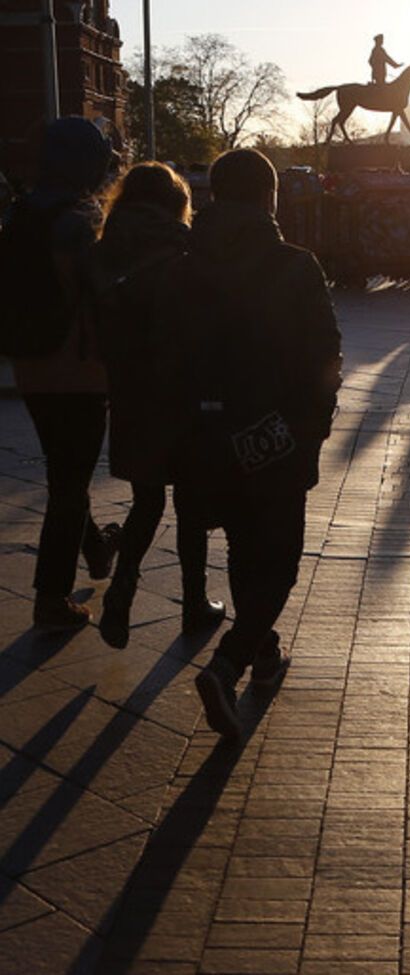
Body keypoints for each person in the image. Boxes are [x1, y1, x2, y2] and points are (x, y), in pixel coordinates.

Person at [159, 148, 342, 739]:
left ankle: (261, 652)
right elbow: (324, 354)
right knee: (281, 560)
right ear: (269, 198)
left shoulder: (182, 263)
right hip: (274, 432)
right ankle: (229, 662)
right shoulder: (294, 264)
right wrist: (312, 426)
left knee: (242, 544)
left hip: (205, 432)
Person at [95, 162, 223, 648]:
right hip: (182, 392)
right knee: (191, 502)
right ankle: (194, 602)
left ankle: (122, 589)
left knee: (146, 501)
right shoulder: (183, 245)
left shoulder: (106, 246)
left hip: (129, 391)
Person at [3, 117, 121, 628]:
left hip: (31, 362)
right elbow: (101, 294)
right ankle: (51, 600)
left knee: (63, 471)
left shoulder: (21, 213)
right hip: (78, 368)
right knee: (69, 484)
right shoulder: (75, 222)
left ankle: (96, 551)